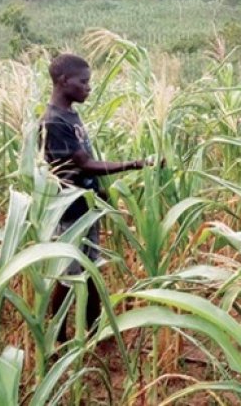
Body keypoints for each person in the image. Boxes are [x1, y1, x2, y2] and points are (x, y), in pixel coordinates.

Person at [40, 53, 155, 343]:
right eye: (84, 82)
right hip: (68, 210)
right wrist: (134, 164)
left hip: (85, 205)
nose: (89, 88)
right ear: (64, 81)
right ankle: (58, 340)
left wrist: (98, 192)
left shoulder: (70, 115)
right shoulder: (54, 121)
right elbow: (83, 163)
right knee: (68, 277)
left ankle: (95, 331)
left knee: (92, 270)